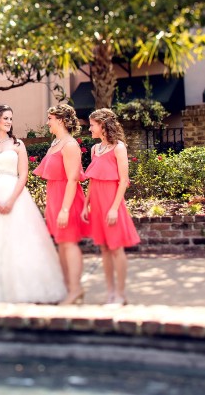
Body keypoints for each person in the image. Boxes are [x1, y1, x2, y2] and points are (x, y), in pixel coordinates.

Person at [0, 105, 66, 303]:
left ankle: (24, 289)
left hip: (15, 195)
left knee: (20, 240)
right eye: (5, 118)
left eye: (11, 118)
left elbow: (23, 174)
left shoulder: (18, 144)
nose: (9, 121)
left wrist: (10, 199)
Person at [81, 108, 140, 305]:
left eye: (92, 125)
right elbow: (92, 180)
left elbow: (123, 181)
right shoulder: (94, 149)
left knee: (116, 248)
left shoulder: (119, 148)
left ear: (103, 125)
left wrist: (115, 208)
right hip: (96, 204)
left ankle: (121, 295)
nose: (89, 129)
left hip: (112, 204)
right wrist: (85, 205)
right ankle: (110, 293)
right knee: (104, 249)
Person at [33, 104, 91, 305]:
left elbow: (73, 179)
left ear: (60, 120)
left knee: (69, 243)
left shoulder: (69, 145)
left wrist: (65, 209)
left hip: (67, 198)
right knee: (62, 244)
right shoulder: (55, 143)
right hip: (55, 197)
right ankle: (68, 288)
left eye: (50, 118)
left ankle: (75, 289)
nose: (47, 122)